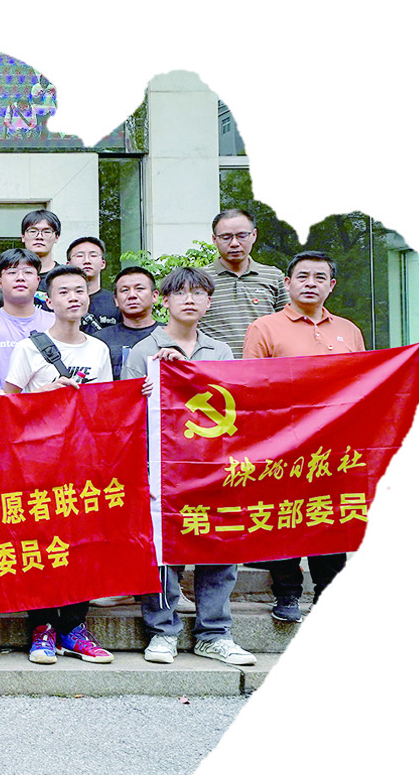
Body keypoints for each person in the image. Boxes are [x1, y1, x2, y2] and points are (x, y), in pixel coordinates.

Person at [120, 267, 255, 666]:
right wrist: (147, 389)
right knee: (163, 549)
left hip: (212, 466)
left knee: (219, 544)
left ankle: (214, 633)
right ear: (164, 300)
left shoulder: (221, 350)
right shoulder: (144, 350)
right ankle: (162, 631)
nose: (190, 300)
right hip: (161, 467)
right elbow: (126, 413)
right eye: (181, 293)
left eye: (198, 293)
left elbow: (232, 405)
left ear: (209, 302)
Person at [240, 250, 366, 621]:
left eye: (319, 277)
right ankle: (287, 595)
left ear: (332, 285)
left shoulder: (349, 330)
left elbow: (364, 380)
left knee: (331, 520)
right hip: (283, 443)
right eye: (302, 276)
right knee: (284, 520)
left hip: (334, 446)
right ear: (288, 283)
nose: (310, 283)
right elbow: (251, 386)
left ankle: (329, 596)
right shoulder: (264, 328)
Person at [0, 265, 115, 666]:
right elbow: (7, 405)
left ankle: (75, 628)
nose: (73, 297)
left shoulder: (98, 350)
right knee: (42, 545)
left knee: (82, 545)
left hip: (83, 461)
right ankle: (43, 627)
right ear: (48, 301)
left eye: (79, 290)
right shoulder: (29, 349)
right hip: (39, 463)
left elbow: (105, 405)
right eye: (63, 291)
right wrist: (45, 394)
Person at [198, 208, 286, 357]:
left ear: (254, 235)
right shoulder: (198, 279)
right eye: (226, 237)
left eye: (242, 236)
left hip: (263, 365)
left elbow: (286, 324)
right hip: (214, 366)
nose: (234, 243)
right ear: (214, 239)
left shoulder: (273, 276)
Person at [0, 250, 53, 395]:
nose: (20, 278)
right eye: (12, 272)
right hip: (4, 405)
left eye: (28, 272)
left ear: (38, 281)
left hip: (52, 404)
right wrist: (10, 402)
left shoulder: (55, 322)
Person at [93, 266, 161, 380]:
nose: (132, 295)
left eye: (139, 288)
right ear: (116, 300)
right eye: (125, 290)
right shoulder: (99, 341)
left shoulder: (169, 336)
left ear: (154, 296)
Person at [44, 236, 122, 332]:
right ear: (68, 264)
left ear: (103, 263)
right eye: (79, 256)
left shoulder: (116, 301)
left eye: (93, 256)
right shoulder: (57, 301)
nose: (87, 261)